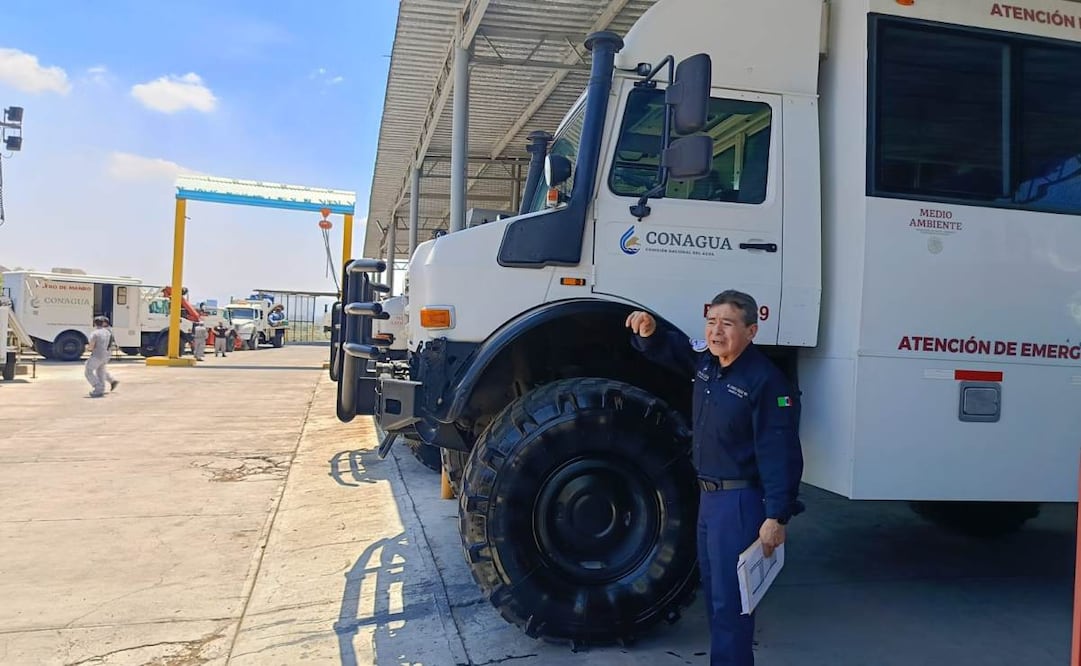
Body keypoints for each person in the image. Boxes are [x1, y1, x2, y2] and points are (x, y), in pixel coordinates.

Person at [626, 290, 804, 666]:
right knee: (715, 597)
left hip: (739, 503)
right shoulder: (708, 363)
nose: (716, 331)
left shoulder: (765, 382)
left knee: (733, 603)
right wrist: (650, 332)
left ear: (752, 331)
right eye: (711, 322)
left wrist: (777, 516)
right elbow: (676, 349)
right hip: (709, 500)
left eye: (727, 324)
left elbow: (780, 452)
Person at [85, 315, 118, 398]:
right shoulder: (108, 332)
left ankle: (98, 387)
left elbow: (91, 346)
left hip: (97, 355)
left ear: (95, 324)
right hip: (106, 355)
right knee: (101, 372)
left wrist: (87, 348)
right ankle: (101, 389)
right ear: (103, 323)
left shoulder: (95, 333)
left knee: (88, 371)